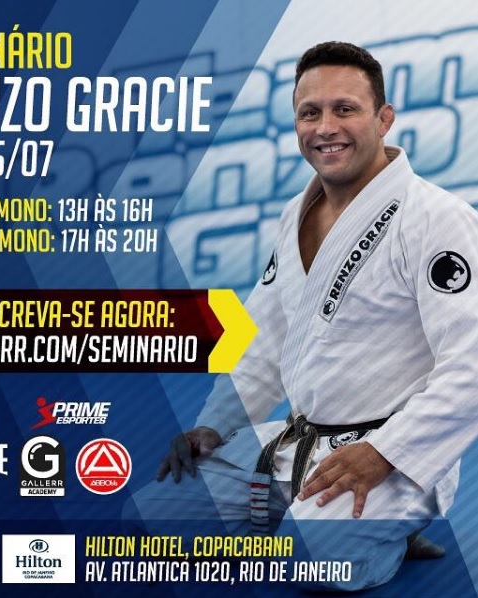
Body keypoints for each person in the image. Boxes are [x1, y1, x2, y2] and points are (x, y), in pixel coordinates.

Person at [126, 41, 478, 591]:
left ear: (384, 118)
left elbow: (471, 365)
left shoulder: (437, 218)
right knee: (149, 519)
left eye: (345, 109)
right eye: (310, 113)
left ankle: (392, 532)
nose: (325, 127)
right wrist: (213, 427)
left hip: (389, 456)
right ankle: (306, 519)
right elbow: (263, 343)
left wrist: (384, 453)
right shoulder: (296, 214)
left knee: (311, 561)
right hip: (297, 443)